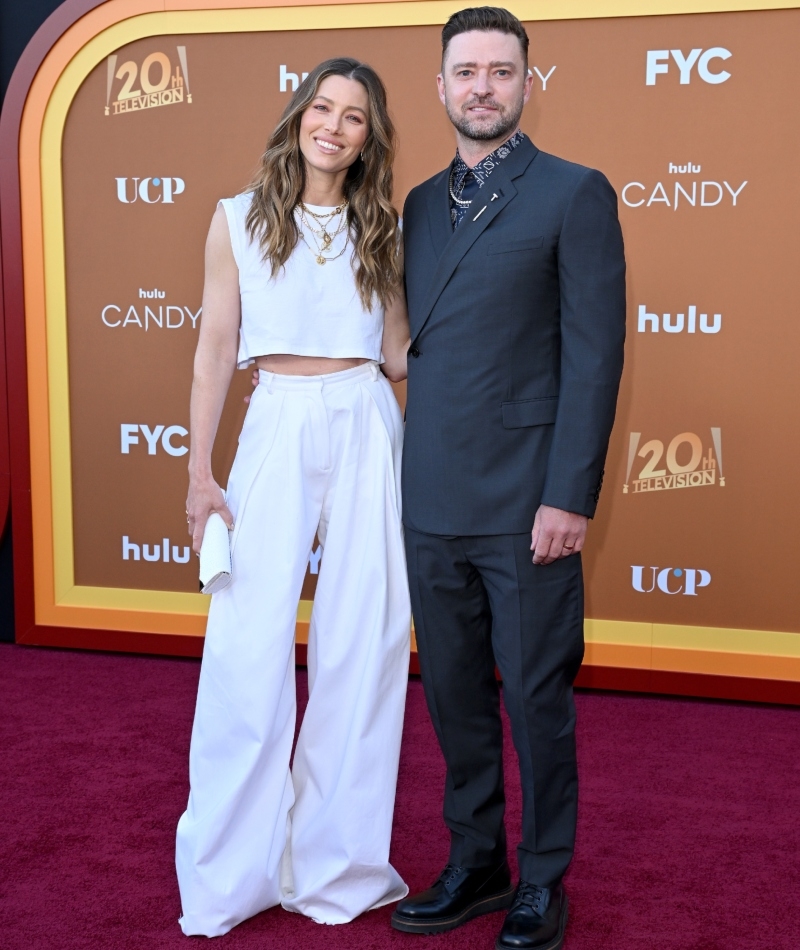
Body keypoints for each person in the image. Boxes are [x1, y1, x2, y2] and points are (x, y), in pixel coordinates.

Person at [391, 9, 626, 950]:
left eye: (500, 69)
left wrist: (569, 497)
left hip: (530, 501)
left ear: (529, 81)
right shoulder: (414, 205)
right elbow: (403, 343)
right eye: (465, 70)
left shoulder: (574, 193)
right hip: (432, 495)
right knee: (453, 694)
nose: (481, 85)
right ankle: (476, 860)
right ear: (440, 86)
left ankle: (541, 877)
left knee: (535, 698)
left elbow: (595, 355)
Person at [176, 57, 412, 937]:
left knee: (365, 643)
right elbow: (212, 348)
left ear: (369, 137)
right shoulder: (235, 220)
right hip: (273, 420)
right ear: (299, 115)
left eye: (355, 116)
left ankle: (336, 869)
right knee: (246, 650)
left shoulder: (384, 226)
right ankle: (229, 880)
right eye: (324, 107)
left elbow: (397, 355)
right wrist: (200, 473)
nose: (336, 126)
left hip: (364, 425)